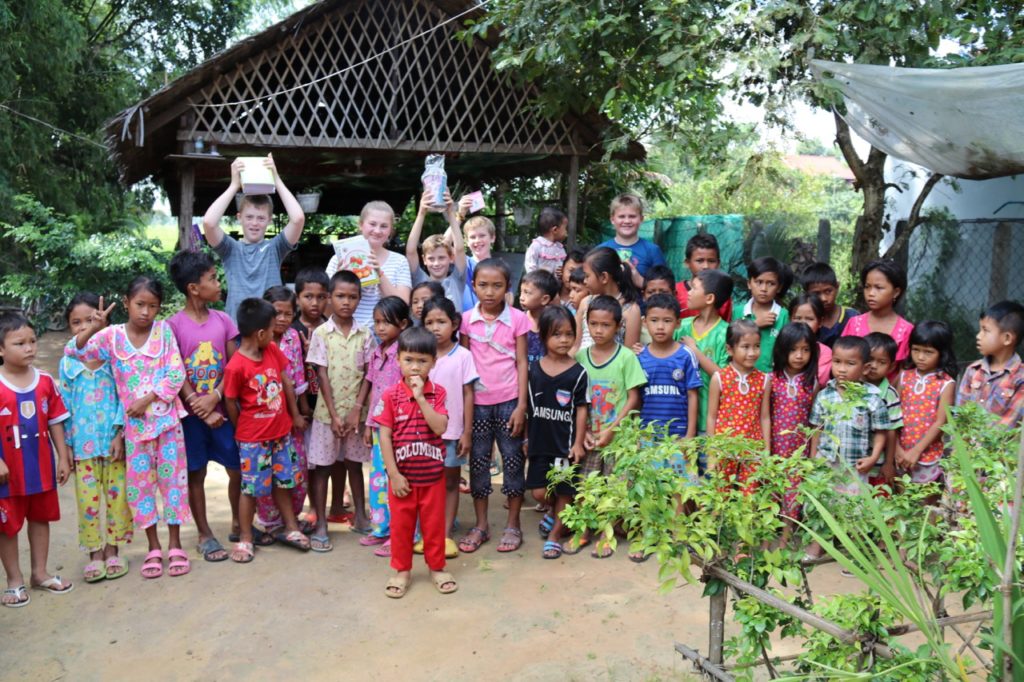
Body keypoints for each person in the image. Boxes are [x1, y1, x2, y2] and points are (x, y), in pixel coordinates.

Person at [68, 278, 192, 579]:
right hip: (135, 431)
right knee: (140, 487)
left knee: (172, 484)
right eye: (140, 304)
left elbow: (176, 374)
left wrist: (146, 400)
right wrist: (93, 328)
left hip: (166, 425)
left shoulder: (164, 332)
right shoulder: (111, 337)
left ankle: (175, 544)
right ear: (126, 302)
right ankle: (152, 547)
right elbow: (76, 352)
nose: (146, 312)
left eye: (153, 306)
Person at [167, 251, 243, 563]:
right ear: (193, 288)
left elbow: (234, 364)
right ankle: (204, 533)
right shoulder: (171, 326)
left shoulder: (224, 320)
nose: (218, 283)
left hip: (224, 411)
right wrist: (200, 406)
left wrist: (216, 395)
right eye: (212, 278)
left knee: (236, 467)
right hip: (190, 417)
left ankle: (239, 521)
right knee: (195, 472)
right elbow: (175, 372)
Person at [222, 298, 309, 562]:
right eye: (271, 330)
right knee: (252, 489)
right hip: (253, 440)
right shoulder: (235, 366)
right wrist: (243, 432)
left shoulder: (271, 350)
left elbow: (285, 383)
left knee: (283, 483)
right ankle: (247, 538)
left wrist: (293, 415)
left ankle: (291, 527)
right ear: (260, 333)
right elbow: (230, 400)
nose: (274, 334)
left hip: (281, 435)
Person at [375, 327, 455, 598]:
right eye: (409, 360)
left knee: (433, 526)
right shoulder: (389, 395)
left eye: (422, 361)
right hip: (403, 478)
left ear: (433, 362)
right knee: (401, 527)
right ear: (398, 360)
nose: (415, 367)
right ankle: (401, 571)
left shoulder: (439, 393)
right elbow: (384, 437)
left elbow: (440, 427)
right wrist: (393, 474)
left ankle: (437, 567)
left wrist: (421, 398)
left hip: (432, 477)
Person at [458, 258, 530, 554]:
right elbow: (463, 365)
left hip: (509, 400)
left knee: (513, 462)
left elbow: (522, 361)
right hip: (477, 403)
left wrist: (522, 405)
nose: (489, 292)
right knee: (478, 464)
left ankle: (513, 524)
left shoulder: (518, 319)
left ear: (507, 288)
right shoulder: (465, 320)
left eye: (497, 286)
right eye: (483, 285)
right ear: (473, 286)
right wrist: (465, 409)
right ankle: (481, 524)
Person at [1, 311, 73, 606]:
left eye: (32, 341)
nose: (29, 347)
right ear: (1, 349)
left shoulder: (45, 381)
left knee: (41, 519)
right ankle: (13, 580)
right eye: (19, 343)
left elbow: (55, 420)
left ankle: (40, 573)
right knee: (7, 526)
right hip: (7, 475)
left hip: (40, 469)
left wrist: (63, 457)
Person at [59, 294, 132, 583]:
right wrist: (66, 451)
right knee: (87, 504)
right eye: (76, 323)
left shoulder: (114, 360)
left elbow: (123, 399)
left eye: (90, 320)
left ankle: (113, 550)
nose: (82, 328)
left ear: (105, 323)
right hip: (83, 449)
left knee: (117, 501)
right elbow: (62, 409)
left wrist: (119, 434)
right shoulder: (68, 363)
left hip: (113, 446)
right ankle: (94, 554)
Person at [572, 295, 646, 558]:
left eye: (605, 325)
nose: (598, 330)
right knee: (587, 483)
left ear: (618, 326)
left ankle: (607, 534)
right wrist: (585, 434)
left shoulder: (626, 357)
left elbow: (634, 397)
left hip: (620, 438)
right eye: (593, 324)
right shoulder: (580, 356)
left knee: (616, 487)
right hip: (590, 436)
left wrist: (612, 429)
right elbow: (577, 401)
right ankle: (583, 529)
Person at [305, 271, 374, 551]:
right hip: (326, 416)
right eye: (340, 296)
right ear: (330, 299)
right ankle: (321, 522)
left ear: (359, 299)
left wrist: (357, 410)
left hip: (356, 415)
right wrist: (334, 415)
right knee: (323, 468)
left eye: (352, 297)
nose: (346, 302)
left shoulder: (365, 333)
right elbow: (321, 375)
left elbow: (369, 374)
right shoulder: (321, 334)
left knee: (354, 465)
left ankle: (360, 515)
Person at [200, 154, 305, 320]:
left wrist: (276, 179)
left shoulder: (275, 248)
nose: (254, 223)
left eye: (261, 218)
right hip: (237, 330)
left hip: (270, 328)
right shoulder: (230, 249)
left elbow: (298, 219)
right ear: (239, 217)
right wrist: (234, 185)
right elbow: (209, 223)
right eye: (249, 217)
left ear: (269, 221)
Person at [526, 306, 588, 560]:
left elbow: (582, 408)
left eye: (568, 334)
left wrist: (578, 442)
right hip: (540, 442)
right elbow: (529, 407)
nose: (563, 340)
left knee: (564, 489)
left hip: (564, 446)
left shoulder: (578, 373)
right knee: (539, 492)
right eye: (556, 334)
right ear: (543, 337)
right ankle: (554, 513)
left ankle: (554, 537)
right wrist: (527, 438)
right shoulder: (534, 370)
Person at [422, 298, 478, 557]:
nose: (435, 328)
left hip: (453, 431)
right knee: (425, 482)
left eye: (441, 322)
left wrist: (466, 431)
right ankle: (427, 532)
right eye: (429, 322)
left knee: (450, 483)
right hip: (421, 432)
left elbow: (468, 394)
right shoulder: (421, 356)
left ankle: (444, 535)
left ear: (454, 324)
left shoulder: (464, 356)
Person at [258, 287, 312, 538]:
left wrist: (301, 412)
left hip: (291, 419)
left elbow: (298, 376)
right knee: (266, 471)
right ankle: (271, 522)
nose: (281, 318)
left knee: (297, 469)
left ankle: (294, 515)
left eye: (287, 314)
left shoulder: (292, 337)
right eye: (277, 313)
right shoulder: (257, 339)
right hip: (265, 420)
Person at [360, 297, 411, 557]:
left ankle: (401, 533)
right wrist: (369, 424)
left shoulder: (404, 354)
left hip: (400, 430)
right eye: (377, 322)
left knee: (398, 480)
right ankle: (381, 528)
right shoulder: (377, 351)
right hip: (381, 428)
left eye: (386, 322)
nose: (380, 328)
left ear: (402, 324)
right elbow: (373, 391)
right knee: (379, 478)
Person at [809, 336, 890, 495]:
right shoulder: (824, 396)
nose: (842, 369)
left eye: (850, 364)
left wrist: (873, 458)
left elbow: (881, 432)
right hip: (826, 461)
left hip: (855, 467)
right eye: (837, 362)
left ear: (865, 368)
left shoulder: (872, 399)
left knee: (853, 509)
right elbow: (816, 428)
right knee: (824, 504)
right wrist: (813, 457)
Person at [637, 293, 702, 478]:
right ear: (644, 322)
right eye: (654, 320)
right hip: (649, 438)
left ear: (678, 323)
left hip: (678, 438)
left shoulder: (686, 355)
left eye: (667, 321)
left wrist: (690, 435)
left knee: (682, 487)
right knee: (652, 487)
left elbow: (692, 395)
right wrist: (638, 435)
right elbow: (636, 399)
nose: (660, 326)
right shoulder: (640, 358)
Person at [706, 319, 772, 493]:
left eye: (756, 346)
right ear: (730, 349)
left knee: (749, 498)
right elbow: (711, 416)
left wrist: (766, 450)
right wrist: (712, 453)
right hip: (724, 450)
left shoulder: (764, 380)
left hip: (752, 450)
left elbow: (764, 416)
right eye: (745, 347)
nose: (752, 352)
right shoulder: (719, 378)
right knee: (720, 497)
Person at [327, 201, 412, 325]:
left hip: (384, 337)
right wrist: (338, 279)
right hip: (345, 335)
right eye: (372, 224)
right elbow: (325, 308)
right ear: (361, 225)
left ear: (391, 230)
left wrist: (379, 274)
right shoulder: (339, 259)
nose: (377, 231)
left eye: (384, 226)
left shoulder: (400, 261)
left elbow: (402, 305)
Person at [894, 321, 956, 484]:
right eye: (916, 350)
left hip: (928, 455)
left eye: (928, 352)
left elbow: (941, 422)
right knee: (902, 502)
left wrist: (916, 451)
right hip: (899, 452)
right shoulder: (904, 377)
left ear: (942, 353)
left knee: (926, 503)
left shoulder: (945, 383)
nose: (920, 357)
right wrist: (896, 448)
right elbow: (893, 414)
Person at [675, 269, 734, 441]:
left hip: (710, 420)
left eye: (693, 288)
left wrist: (695, 352)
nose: (689, 293)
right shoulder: (681, 326)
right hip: (680, 417)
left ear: (709, 298)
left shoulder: (725, 333)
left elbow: (724, 377)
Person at [768, 322, 819, 519]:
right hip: (774, 449)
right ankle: (769, 533)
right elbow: (765, 415)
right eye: (793, 350)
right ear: (782, 350)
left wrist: (812, 456)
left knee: (793, 494)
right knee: (771, 490)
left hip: (799, 452)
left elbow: (814, 423)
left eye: (805, 350)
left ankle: (787, 534)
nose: (799, 356)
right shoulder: (771, 379)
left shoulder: (812, 383)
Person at [956, 300, 1024, 429]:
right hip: (964, 447)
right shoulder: (973, 371)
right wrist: (959, 445)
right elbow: (960, 414)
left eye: (985, 330)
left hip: (998, 448)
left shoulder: (1020, 378)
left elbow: (1008, 425)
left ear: (1007, 338)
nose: (978, 336)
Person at [841, 259, 913, 374]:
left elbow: (904, 373)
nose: (871, 293)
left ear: (896, 292)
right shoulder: (854, 324)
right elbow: (842, 359)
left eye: (879, 287)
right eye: (867, 286)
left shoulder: (906, 331)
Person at [406, 190, 466, 311]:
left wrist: (450, 212)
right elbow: (410, 251)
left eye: (441, 258)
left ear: (451, 258)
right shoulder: (420, 280)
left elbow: (459, 249)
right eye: (431, 259)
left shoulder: (456, 280)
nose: (436, 263)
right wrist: (422, 212)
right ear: (424, 260)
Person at [575, 246, 643, 350]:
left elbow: (630, 354)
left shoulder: (630, 310)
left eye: (587, 276)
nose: (584, 281)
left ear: (604, 277)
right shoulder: (585, 303)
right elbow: (575, 345)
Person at [733, 257, 792, 373]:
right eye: (759, 282)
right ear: (749, 283)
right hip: (740, 376)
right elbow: (730, 342)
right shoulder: (738, 312)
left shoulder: (784, 315)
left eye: (771, 284)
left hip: (772, 379)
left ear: (779, 287)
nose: (764, 289)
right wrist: (755, 325)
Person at [598, 193, 666, 288]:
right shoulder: (600, 251)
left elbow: (663, 289)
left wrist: (639, 280)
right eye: (621, 216)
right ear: (612, 219)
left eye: (632, 216)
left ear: (641, 219)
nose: (627, 221)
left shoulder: (652, 251)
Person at [863, 332, 904, 488]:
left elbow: (892, 430)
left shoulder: (890, 394)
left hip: (878, 466)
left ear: (891, 366)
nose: (874, 366)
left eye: (881, 362)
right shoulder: (853, 387)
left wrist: (888, 463)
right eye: (870, 359)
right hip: (852, 462)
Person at [675, 233, 733, 321]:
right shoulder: (675, 292)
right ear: (687, 263)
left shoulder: (722, 296)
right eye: (699, 261)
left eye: (711, 261)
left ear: (718, 263)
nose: (706, 266)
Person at [800, 262, 859, 347]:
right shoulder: (803, 318)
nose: (823, 298)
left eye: (828, 291)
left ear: (837, 287)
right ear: (806, 293)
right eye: (816, 294)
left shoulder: (852, 317)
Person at [789, 293, 833, 387]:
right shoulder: (783, 347)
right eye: (797, 318)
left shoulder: (824, 353)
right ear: (790, 319)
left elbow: (819, 381)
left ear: (820, 322)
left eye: (809, 319)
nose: (803, 324)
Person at [520, 269, 561, 366]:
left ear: (545, 299)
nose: (521, 297)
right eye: (521, 292)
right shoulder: (518, 320)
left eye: (527, 293)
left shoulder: (554, 324)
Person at [524, 206, 568, 276]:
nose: (566, 232)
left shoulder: (560, 248)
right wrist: (534, 279)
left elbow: (564, 265)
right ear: (555, 230)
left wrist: (563, 270)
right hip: (540, 285)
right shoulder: (537, 246)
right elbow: (530, 264)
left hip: (556, 286)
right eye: (565, 228)